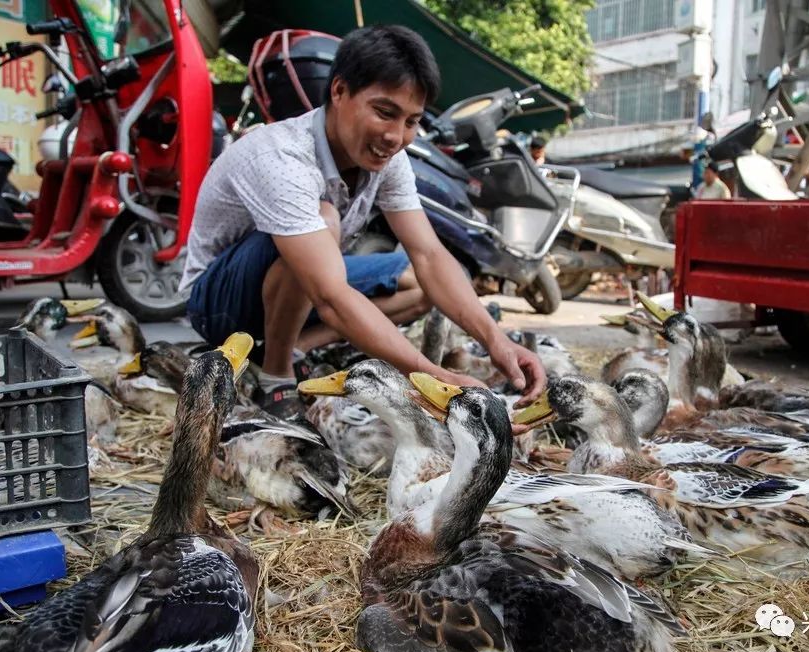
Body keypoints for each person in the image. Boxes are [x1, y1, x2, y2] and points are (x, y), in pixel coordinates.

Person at [181, 24, 546, 415]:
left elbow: (428, 255)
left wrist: (496, 341)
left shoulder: (390, 160)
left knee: (419, 281)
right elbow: (330, 295)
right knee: (325, 220)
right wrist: (427, 375)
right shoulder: (282, 158)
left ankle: (296, 345)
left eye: (411, 121)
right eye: (384, 113)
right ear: (339, 91)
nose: (395, 136)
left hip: (303, 283)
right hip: (219, 305)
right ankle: (276, 375)